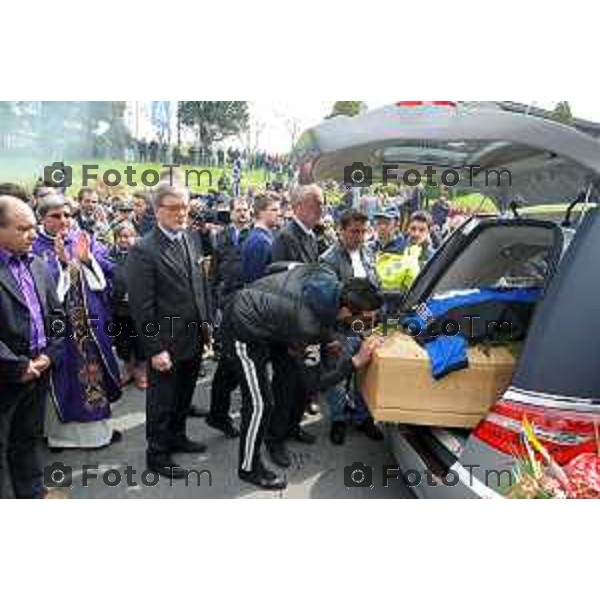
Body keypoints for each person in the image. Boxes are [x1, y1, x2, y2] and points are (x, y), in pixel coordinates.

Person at [220, 263, 383, 490]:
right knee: (260, 403)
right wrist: (356, 361)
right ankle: (249, 468)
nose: (367, 325)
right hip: (242, 328)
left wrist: (327, 338)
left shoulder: (326, 275)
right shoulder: (307, 327)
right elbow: (314, 383)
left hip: (274, 319)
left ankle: (287, 429)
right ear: (346, 310)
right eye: (365, 320)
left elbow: (277, 266)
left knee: (289, 379)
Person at [127, 185, 212, 479]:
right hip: (165, 342)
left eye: (185, 207)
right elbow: (141, 306)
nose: (182, 213)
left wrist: (207, 324)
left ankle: (178, 436)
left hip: (193, 336)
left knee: (184, 396)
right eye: (174, 208)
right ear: (157, 210)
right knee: (162, 401)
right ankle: (158, 454)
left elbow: (199, 286)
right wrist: (154, 348)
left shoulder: (190, 238)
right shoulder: (143, 249)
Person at [32, 196, 122, 450]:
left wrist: (86, 260)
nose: (63, 221)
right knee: (62, 377)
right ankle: (59, 436)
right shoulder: (34, 246)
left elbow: (106, 273)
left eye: (67, 215)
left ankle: (97, 434)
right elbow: (39, 288)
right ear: (42, 217)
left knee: (93, 375)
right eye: (56, 216)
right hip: (58, 329)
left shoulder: (83, 238)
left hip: (89, 326)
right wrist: (61, 264)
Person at [0, 195, 65, 498]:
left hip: (39, 371)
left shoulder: (37, 264)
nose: (33, 234)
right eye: (23, 228)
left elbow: (57, 316)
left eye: (33, 227)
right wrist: (18, 366)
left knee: (27, 439)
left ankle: (33, 494)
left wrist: (48, 356)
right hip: (7, 376)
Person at [266, 184, 324, 468]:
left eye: (322, 205)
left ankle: (292, 426)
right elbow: (282, 286)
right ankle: (274, 439)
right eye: (316, 205)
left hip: (308, 325)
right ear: (299, 206)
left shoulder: (311, 236)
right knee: (285, 385)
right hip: (289, 328)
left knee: (302, 383)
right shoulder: (286, 237)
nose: (321, 211)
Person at [321, 209, 383, 444]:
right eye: (354, 231)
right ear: (341, 231)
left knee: (365, 375)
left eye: (364, 231)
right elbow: (328, 301)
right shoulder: (328, 259)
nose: (360, 236)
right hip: (341, 329)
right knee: (337, 376)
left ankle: (362, 417)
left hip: (366, 327)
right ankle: (338, 419)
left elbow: (375, 286)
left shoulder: (368, 253)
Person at [206, 197, 251, 438]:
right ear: (231, 213)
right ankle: (220, 414)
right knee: (231, 361)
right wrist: (214, 309)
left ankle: (226, 413)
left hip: (249, 307)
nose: (242, 214)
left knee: (240, 362)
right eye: (238, 210)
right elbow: (213, 275)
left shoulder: (256, 237)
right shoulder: (220, 238)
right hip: (227, 306)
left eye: (245, 210)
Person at [107, 221, 147, 390]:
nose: (126, 240)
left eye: (130, 236)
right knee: (123, 342)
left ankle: (141, 371)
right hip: (118, 309)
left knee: (140, 341)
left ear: (136, 237)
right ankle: (128, 370)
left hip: (139, 309)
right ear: (116, 239)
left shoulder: (143, 254)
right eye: (122, 236)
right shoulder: (108, 255)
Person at [240, 193, 281, 284]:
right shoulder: (259, 242)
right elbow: (256, 283)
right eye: (274, 210)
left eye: (279, 209)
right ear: (261, 212)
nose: (279, 213)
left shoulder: (265, 237)